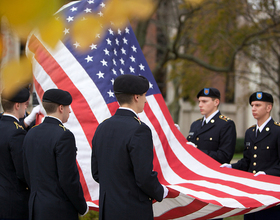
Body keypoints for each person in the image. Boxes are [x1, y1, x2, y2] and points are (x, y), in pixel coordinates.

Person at [91, 74, 168, 220]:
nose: (145, 100)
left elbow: (96, 173)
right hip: (132, 210)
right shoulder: (139, 130)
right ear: (136, 97)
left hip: (108, 210)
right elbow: (144, 177)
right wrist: (160, 191)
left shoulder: (102, 127)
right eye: (145, 95)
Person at [22, 88, 88, 220]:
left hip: (36, 208)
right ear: (61, 108)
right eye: (68, 107)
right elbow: (68, 179)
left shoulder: (31, 133)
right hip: (59, 210)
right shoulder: (64, 135)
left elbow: (26, 172)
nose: (70, 111)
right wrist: (82, 206)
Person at [220, 91, 280, 219]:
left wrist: (266, 174)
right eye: (252, 105)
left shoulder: (277, 131)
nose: (253, 108)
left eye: (258, 105)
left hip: (271, 196)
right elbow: (247, 161)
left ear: (268, 108)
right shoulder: (250, 132)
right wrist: (231, 167)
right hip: (252, 196)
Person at [0, 87, 30, 220]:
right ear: (17, 105)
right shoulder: (17, 132)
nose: (26, 108)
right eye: (25, 105)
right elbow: (22, 171)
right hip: (13, 201)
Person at [187, 87, 236, 164]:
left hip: (212, 172)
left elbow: (225, 156)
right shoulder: (195, 124)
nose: (200, 105)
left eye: (204, 101)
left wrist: (197, 152)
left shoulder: (226, 124)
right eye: (199, 101)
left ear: (216, 102)